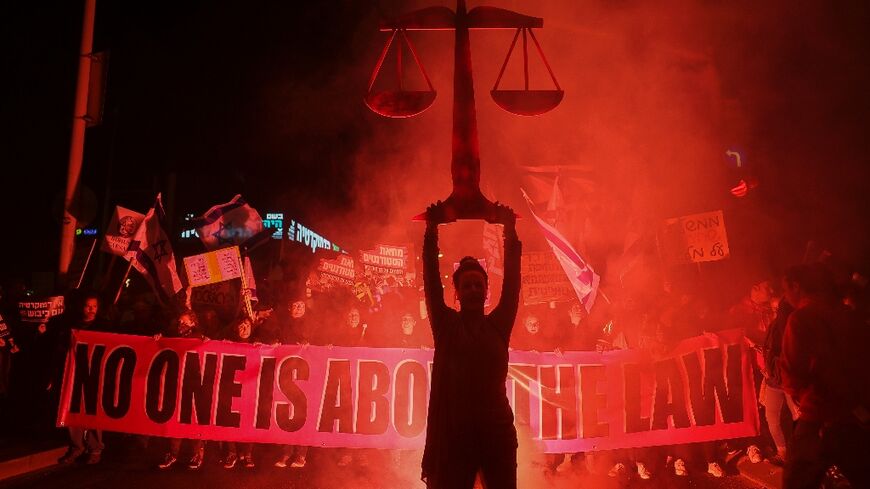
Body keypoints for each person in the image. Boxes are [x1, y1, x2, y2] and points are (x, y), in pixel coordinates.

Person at [420, 201, 521, 489]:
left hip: (497, 435)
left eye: (479, 285)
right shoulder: (446, 326)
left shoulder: (498, 325)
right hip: (455, 438)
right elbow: (430, 281)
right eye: (467, 285)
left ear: (487, 291)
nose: (474, 289)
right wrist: (431, 230)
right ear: (458, 293)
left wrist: (509, 231)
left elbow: (513, 284)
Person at [780, 263, 870, 489]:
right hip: (857, 416)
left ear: (796, 286)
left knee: (797, 480)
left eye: (785, 289)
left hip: (819, 417)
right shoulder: (849, 315)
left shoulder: (800, 319)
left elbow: (792, 377)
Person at [56, 292, 107, 465]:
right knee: (74, 411)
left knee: (93, 413)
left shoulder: (105, 326)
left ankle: (95, 449)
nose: (91, 309)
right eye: (88, 306)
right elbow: (62, 349)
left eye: (94, 306)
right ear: (82, 307)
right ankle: (77, 447)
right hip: (75, 375)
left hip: (95, 376)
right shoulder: (72, 326)